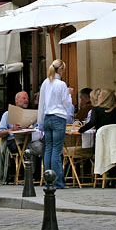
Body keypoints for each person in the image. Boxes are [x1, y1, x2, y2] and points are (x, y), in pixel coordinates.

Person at [37, 59, 73, 189]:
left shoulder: (46, 83)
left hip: (47, 117)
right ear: (61, 69)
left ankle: (48, 179)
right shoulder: (61, 84)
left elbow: (41, 103)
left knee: (48, 149)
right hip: (58, 117)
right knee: (57, 151)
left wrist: (40, 121)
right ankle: (58, 181)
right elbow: (67, 103)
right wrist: (69, 95)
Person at [0, 91, 31, 183]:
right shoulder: (7, 114)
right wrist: (12, 129)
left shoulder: (29, 114)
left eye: (27, 98)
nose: (26, 100)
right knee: (26, 148)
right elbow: (0, 133)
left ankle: (35, 174)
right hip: (13, 141)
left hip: (27, 139)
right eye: (24, 98)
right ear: (16, 100)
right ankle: (27, 175)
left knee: (36, 146)